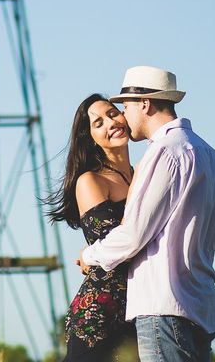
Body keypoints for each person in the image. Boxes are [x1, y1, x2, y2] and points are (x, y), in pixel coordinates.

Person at [78, 66, 215, 362]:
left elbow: (134, 234)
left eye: (124, 106)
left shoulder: (164, 152)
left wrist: (90, 256)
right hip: (201, 304)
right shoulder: (210, 155)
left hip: (165, 305)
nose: (122, 115)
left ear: (144, 104)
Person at [44, 94, 137, 361]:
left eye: (112, 114)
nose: (110, 123)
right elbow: (121, 247)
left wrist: (91, 251)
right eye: (98, 123)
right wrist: (91, 252)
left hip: (141, 310)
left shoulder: (143, 174)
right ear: (91, 138)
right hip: (100, 314)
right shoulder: (91, 181)